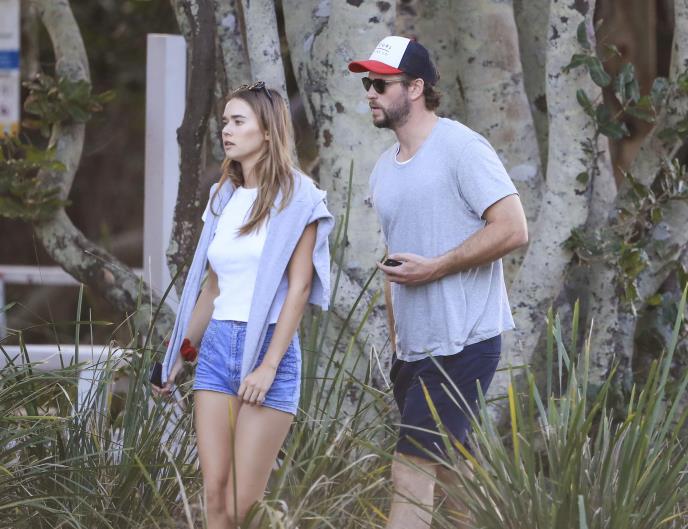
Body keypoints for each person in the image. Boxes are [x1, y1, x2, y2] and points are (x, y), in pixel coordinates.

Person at [348, 36, 528, 528]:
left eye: (381, 84)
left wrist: (438, 266)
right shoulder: (384, 170)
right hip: (413, 349)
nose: (370, 93)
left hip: (463, 341)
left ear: (416, 87)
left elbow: (513, 228)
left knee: (410, 472)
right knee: (453, 476)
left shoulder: (461, 148)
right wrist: (396, 343)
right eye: (368, 84)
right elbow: (396, 261)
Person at [152, 81, 334, 529]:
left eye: (238, 121)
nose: (226, 131)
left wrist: (268, 367)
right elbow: (212, 290)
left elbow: (299, 288)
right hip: (216, 350)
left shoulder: (299, 197)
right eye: (225, 122)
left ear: (268, 131)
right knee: (214, 498)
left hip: (269, 349)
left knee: (240, 506)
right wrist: (179, 353)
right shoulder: (224, 199)